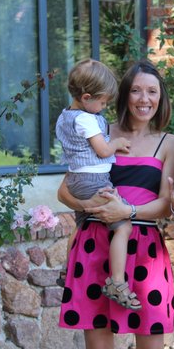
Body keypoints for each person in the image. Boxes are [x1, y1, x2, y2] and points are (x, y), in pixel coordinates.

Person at [58, 60, 174, 349]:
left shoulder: (170, 143)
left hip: (145, 249)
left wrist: (128, 212)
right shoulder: (100, 132)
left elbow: (166, 205)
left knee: (150, 344)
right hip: (95, 244)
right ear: (124, 95)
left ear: (161, 97)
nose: (144, 99)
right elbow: (64, 191)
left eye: (152, 91)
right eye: (136, 90)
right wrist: (87, 206)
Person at [55, 59, 137, 308]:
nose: (104, 107)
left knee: (80, 224)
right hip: (93, 180)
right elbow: (102, 150)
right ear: (86, 97)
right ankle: (117, 282)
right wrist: (117, 144)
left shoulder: (65, 116)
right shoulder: (86, 119)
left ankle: (67, 269)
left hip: (76, 178)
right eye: (102, 102)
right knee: (123, 226)